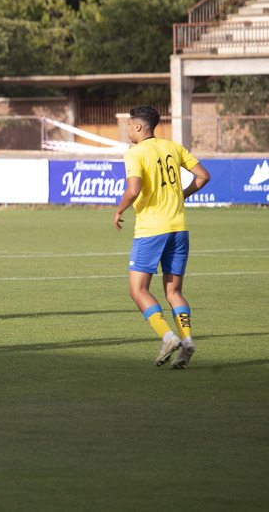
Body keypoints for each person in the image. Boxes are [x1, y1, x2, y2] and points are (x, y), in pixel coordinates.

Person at [113, 106, 210, 369]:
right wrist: (182, 195)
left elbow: (133, 189)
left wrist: (119, 210)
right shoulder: (174, 147)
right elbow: (203, 176)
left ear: (138, 127)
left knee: (138, 290)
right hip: (179, 228)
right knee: (174, 291)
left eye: (129, 124)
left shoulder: (134, 153)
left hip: (151, 231)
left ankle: (168, 337)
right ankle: (187, 341)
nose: (128, 129)